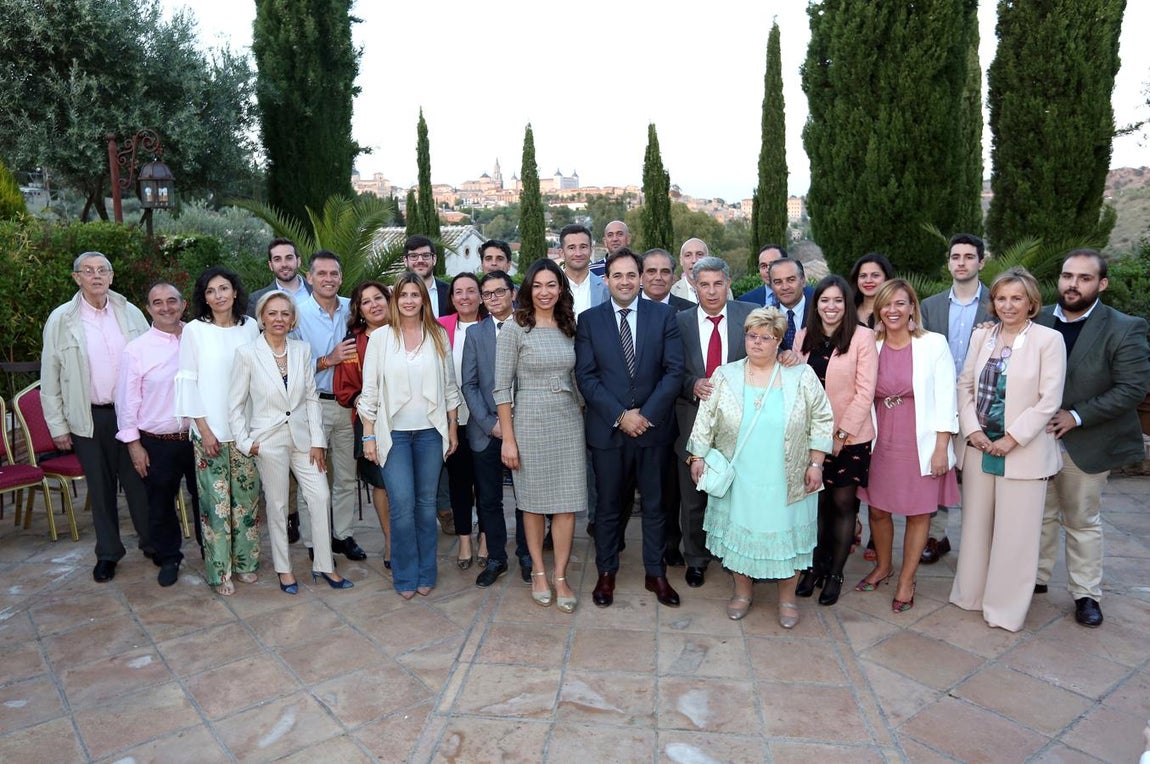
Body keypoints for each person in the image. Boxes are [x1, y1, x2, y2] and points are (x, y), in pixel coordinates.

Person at [686, 307, 834, 626]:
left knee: (789, 539)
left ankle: (787, 599)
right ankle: (742, 593)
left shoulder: (801, 375)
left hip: (789, 475)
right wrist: (697, 456)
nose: (756, 342)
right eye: (752, 335)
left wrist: (816, 463)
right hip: (741, 476)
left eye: (766, 337)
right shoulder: (725, 374)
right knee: (740, 536)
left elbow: (822, 418)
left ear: (779, 341)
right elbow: (706, 418)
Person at [1034, 249, 1150, 628]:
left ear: (1102, 284)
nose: (1073, 284)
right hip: (1034, 439)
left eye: (1084, 278)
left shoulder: (1124, 327)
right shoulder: (1035, 318)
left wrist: (1077, 416)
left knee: (1081, 520)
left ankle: (1086, 594)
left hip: (1086, 442)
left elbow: (1133, 388)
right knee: (1039, 515)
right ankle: (1035, 579)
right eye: (1068, 276)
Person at [949, 268, 1065, 631]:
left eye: (1017, 298)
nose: (1008, 305)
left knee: (1016, 535)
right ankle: (971, 595)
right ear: (992, 302)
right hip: (979, 448)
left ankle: (1005, 609)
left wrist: (1011, 439)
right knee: (976, 528)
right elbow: (964, 385)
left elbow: (1049, 401)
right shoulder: (982, 336)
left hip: (1023, 452)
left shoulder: (1049, 340)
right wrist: (972, 431)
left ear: (1032, 303)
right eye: (1001, 298)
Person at [575, 249, 685, 609]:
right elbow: (586, 377)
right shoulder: (589, 321)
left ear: (640, 278)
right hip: (609, 432)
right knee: (608, 507)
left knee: (655, 506)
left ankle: (656, 574)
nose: (624, 281)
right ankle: (607, 572)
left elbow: (673, 371)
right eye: (617, 276)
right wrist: (622, 416)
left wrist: (645, 415)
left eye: (630, 275)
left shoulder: (665, 316)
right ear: (606, 281)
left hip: (653, 431)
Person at [230, 293, 353, 594]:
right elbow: (235, 404)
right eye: (272, 313)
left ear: (293, 319)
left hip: (304, 439)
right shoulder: (247, 353)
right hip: (268, 440)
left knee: (320, 497)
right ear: (262, 318)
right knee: (278, 504)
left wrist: (318, 442)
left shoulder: (302, 350)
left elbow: (311, 398)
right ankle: (284, 570)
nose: (279, 319)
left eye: (285, 314)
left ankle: (325, 565)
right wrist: (247, 443)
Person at [41, 251, 150, 583]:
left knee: (140, 481)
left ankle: (151, 542)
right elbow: (51, 376)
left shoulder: (129, 312)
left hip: (130, 415)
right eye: (88, 271)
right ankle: (108, 553)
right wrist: (58, 426)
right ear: (77, 278)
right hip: (88, 417)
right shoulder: (61, 319)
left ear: (112, 276)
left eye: (102, 270)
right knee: (100, 489)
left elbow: (151, 358)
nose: (96, 276)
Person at [855, 280, 959, 613]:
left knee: (918, 512)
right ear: (878, 309)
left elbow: (947, 397)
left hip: (922, 440)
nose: (893, 310)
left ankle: (906, 579)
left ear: (913, 306)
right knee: (877, 509)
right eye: (886, 304)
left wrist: (942, 446)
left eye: (901, 303)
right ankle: (884, 566)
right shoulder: (870, 342)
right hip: (880, 439)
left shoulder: (933, 344)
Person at [359, 273, 461, 599]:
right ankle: (404, 574)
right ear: (395, 299)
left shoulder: (437, 335)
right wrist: (369, 436)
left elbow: (448, 388)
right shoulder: (381, 338)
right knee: (401, 506)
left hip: (431, 433)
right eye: (403, 295)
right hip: (394, 436)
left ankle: (426, 572)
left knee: (425, 504)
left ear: (423, 299)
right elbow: (370, 390)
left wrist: (453, 429)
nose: (408, 300)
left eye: (415, 294)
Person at [493, 259, 586, 612]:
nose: (545, 292)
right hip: (529, 425)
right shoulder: (516, 327)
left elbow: (579, 379)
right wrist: (509, 438)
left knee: (566, 505)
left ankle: (560, 576)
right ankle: (539, 571)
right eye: (538, 285)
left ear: (561, 289)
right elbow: (501, 388)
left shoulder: (569, 325)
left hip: (567, 424)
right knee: (531, 504)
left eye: (552, 285)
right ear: (527, 290)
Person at [175, 267, 261, 596]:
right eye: (211, 291)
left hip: (245, 431)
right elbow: (187, 381)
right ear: (204, 298)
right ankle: (220, 571)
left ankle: (246, 564)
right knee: (216, 508)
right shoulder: (195, 331)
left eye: (224, 288)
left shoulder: (251, 327)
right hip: (209, 431)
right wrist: (203, 429)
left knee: (247, 503)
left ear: (236, 292)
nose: (219, 295)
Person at [793, 276, 878, 606]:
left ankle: (835, 573)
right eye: (824, 300)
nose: (831, 307)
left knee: (842, 506)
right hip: (810, 438)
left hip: (851, 438)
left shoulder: (862, 337)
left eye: (838, 301)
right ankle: (814, 567)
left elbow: (864, 392)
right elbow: (798, 389)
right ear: (816, 305)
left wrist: (840, 436)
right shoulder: (803, 338)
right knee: (815, 506)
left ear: (847, 304)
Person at [674, 256, 756, 589]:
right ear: (693, 286)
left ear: (728, 284)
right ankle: (695, 559)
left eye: (717, 284)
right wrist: (690, 383)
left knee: (735, 495)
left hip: (741, 424)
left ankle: (733, 556)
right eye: (703, 284)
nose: (711, 291)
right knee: (693, 497)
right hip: (692, 419)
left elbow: (769, 352)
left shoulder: (748, 316)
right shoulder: (678, 322)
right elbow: (667, 369)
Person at [115, 282, 202, 587]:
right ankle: (169, 557)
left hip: (199, 438)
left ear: (183, 304)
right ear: (148, 309)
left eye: (172, 301)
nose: (166, 307)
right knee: (161, 503)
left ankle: (211, 551)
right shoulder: (136, 350)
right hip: (157, 442)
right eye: (157, 302)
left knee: (206, 498)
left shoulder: (200, 337)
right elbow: (127, 402)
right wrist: (134, 445)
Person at [920, 233, 993, 564]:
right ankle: (935, 536)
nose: (961, 262)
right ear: (948, 262)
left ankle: (980, 546)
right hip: (940, 404)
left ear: (981, 261)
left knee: (978, 478)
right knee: (939, 469)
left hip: (984, 407)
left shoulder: (999, 303)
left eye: (968, 256)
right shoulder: (930, 306)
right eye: (955, 257)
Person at [294, 250, 367, 563]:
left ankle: (343, 536)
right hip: (312, 407)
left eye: (333, 274)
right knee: (312, 478)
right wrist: (328, 360)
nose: (328, 279)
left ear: (341, 277)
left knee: (347, 478)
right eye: (321, 274)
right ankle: (313, 540)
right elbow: (287, 368)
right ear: (309, 278)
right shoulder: (296, 314)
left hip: (348, 406)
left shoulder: (354, 308)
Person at [462, 271, 528, 587]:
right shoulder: (475, 334)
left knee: (528, 497)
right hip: (487, 431)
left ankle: (528, 556)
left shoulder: (529, 327)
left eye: (499, 291)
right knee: (489, 499)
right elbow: (469, 384)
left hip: (526, 427)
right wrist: (493, 425)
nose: (493, 298)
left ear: (512, 293)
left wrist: (515, 424)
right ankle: (497, 558)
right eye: (487, 294)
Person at [333, 280, 393, 567]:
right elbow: (344, 388)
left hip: (409, 420)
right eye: (366, 301)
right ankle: (391, 541)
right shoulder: (353, 343)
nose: (374, 304)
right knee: (381, 485)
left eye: (378, 297)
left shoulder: (406, 332)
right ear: (358, 309)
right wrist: (368, 404)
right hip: (370, 422)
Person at [439, 272, 487, 568]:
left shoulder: (491, 326)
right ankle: (465, 541)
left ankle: (485, 538)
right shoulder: (441, 327)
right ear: (452, 298)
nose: (465, 297)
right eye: (459, 292)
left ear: (481, 296)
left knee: (485, 482)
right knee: (459, 481)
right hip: (454, 417)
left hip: (486, 416)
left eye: (471, 291)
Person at [247, 237, 313, 316]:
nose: (284, 264)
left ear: (298, 261)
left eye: (289, 258)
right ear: (271, 265)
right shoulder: (257, 300)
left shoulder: (318, 291)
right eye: (277, 259)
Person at [558, 223, 609, 316]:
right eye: (572, 248)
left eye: (583, 247)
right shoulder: (553, 288)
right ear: (562, 253)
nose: (578, 253)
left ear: (591, 250)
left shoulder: (605, 289)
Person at [768, 257, 814, 351]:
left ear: (803, 281)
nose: (785, 287)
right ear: (771, 286)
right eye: (778, 282)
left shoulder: (820, 313)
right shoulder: (766, 317)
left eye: (791, 280)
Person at [403, 235, 454, 318]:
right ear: (405, 261)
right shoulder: (396, 294)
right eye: (414, 256)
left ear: (434, 259)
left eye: (425, 255)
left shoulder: (450, 292)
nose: (420, 260)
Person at [848, 252, 895, 329]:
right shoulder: (847, 309)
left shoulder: (894, 311)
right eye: (863, 276)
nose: (868, 280)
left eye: (875, 275)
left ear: (886, 278)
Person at [640, 248, 694, 312]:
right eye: (651, 271)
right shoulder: (628, 307)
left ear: (673, 276)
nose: (658, 277)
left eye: (665, 272)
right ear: (641, 276)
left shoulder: (691, 310)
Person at [670, 238, 709, 303]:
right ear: (681, 261)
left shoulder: (723, 290)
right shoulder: (672, 292)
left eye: (699, 254)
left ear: (708, 259)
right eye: (688, 255)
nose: (694, 260)